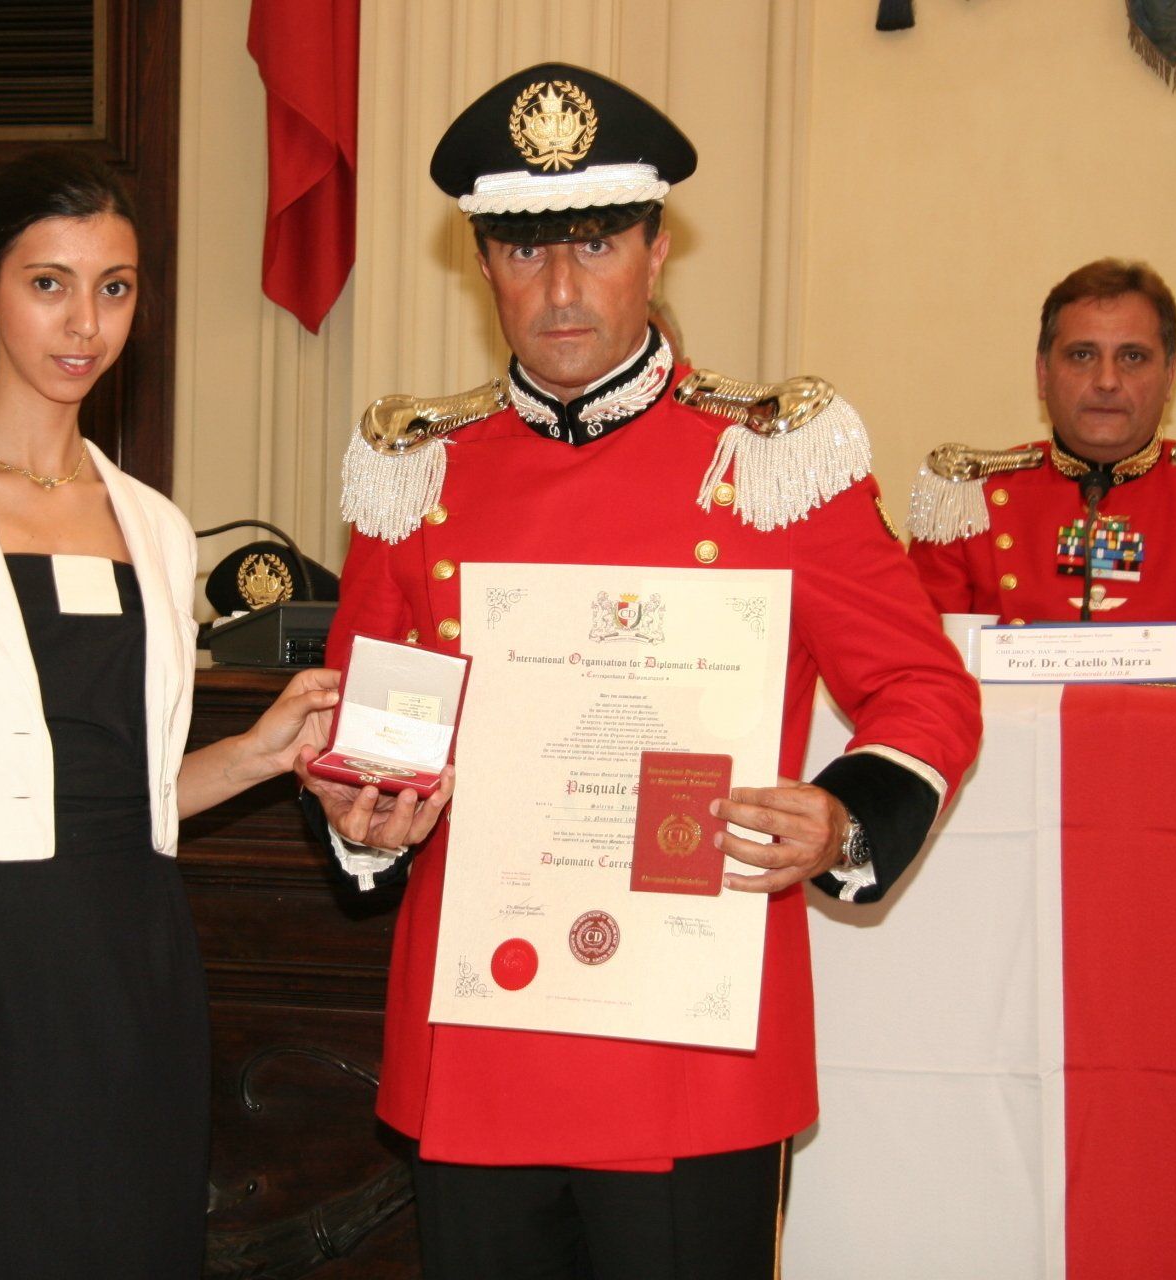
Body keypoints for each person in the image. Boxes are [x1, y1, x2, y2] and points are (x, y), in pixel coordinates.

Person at [295, 64, 982, 1279]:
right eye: (525, 251)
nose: (561, 289)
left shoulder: (772, 460)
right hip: (486, 1026)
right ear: (481, 263)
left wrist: (841, 814)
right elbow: (381, 716)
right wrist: (365, 812)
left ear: (657, 252)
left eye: (598, 244)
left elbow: (924, 688)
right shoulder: (421, 473)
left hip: (692, 1043)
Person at [0, 146, 338, 1276]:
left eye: (114, 287)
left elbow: (107, 794)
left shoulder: (157, 526)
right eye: (50, 283)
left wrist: (252, 754)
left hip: (131, 963)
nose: (86, 323)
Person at [907, 258, 1176, 677]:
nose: (1106, 381)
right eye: (1082, 355)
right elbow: (919, 675)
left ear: (1170, 375)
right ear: (1043, 373)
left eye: (1133, 356)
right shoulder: (964, 501)